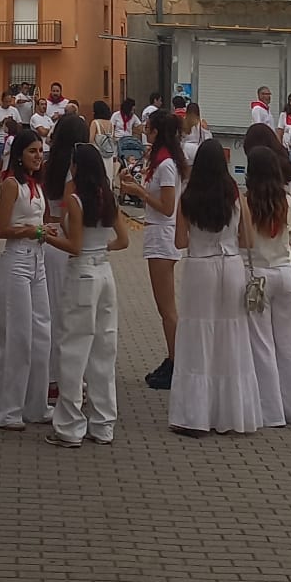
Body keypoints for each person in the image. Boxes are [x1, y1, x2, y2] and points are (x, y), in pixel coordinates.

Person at [169, 139, 261, 437]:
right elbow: (248, 239)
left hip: (200, 266)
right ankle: (232, 413)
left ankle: (195, 415)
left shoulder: (187, 195)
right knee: (231, 337)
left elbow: (180, 242)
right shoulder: (234, 194)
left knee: (198, 337)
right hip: (231, 264)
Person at [44, 143, 129, 447]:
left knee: (74, 348)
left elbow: (74, 246)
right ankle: (104, 424)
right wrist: (101, 248)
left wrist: (48, 236)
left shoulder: (77, 200)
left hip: (81, 272)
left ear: (78, 167)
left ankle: (69, 426)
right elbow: (123, 240)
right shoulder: (107, 198)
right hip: (104, 272)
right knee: (104, 348)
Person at [118, 110, 188, 392]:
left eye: (148, 127)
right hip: (157, 234)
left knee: (167, 307)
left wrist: (140, 193)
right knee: (164, 306)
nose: (145, 131)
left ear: (157, 131)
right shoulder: (160, 162)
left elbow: (168, 206)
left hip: (163, 235)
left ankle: (176, 361)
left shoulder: (167, 165)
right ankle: (173, 358)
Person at [0, 128, 52, 430]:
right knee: (16, 338)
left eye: (40, 150)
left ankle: (35, 405)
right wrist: (32, 231)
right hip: (17, 262)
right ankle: (5, 409)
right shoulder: (12, 184)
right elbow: (0, 229)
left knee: (42, 334)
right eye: (32, 151)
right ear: (19, 155)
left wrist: (46, 230)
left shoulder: (36, 186)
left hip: (38, 261)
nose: (38, 156)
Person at [244, 147, 291, 426]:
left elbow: (243, 241)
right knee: (290, 344)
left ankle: (270, 412)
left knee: (262, 345)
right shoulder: (288, 201)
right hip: (286, 272)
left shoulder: (248, 202)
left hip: (259, 274)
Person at [42, 115, 89, 403]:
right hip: (68, 239)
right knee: (68, 315)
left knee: (48, 312)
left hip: (48, 236)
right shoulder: (77, 170)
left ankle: (47, 376)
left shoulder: (47, 165)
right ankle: (63, 377)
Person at [0, 90, 20, 199]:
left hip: (11, 139)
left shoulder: (14, 111)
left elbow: (20, 125)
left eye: (9, 101)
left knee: (11, 166)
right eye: (6, 101)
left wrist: (13, 124)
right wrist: (2, 122)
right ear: (2, 100)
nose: (8, 103)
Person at [89, 100, 119, 184]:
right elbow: (113, 139)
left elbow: (90, 140)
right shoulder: (110, 124)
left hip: (98, 154)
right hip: (109, 155)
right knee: (108, 177)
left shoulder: (95, 123)